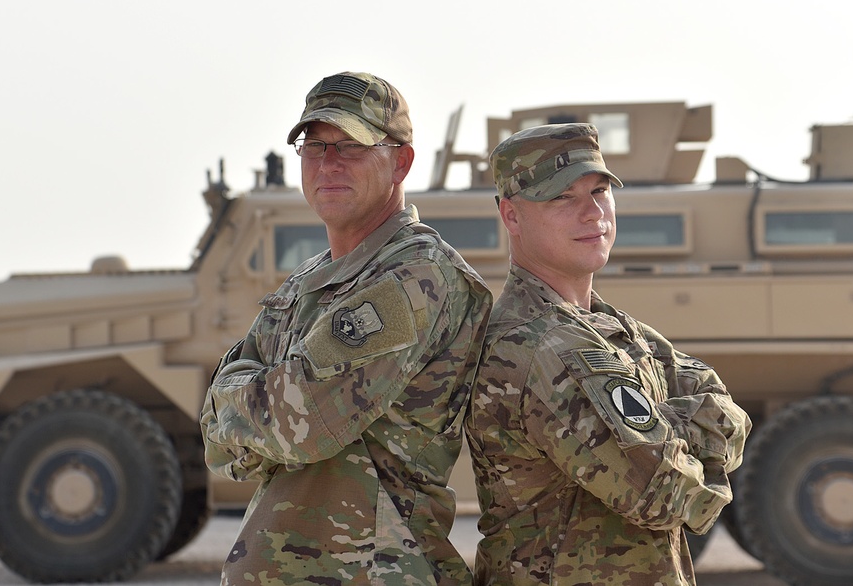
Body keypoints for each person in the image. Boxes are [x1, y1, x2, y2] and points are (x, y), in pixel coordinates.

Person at [200, 71, 492, 586]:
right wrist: (254, 407)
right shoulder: (305, 283)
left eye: (351, 146)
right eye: (314, 146)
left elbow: (300, 421)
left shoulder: (416, 275)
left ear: (401, 161)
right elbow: (217, 445)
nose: (328, 163)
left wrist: (238, 396)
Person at [464, 123, 751, 586]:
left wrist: (665, 434)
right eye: (562, 197)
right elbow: (666, 494)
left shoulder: (614, 328)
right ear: (511, 216)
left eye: (599, 190)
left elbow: (730, 410)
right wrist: (681, 436)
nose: (592, 212)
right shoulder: (538, 344)